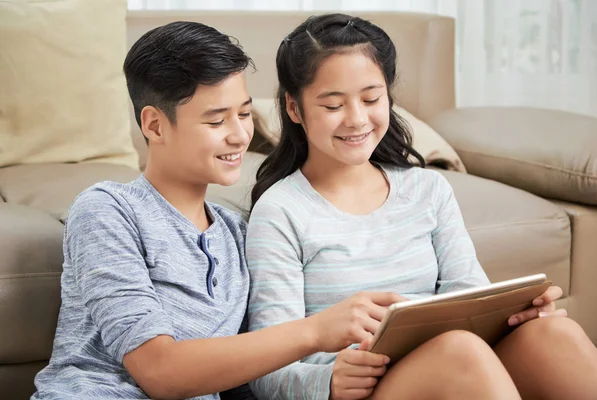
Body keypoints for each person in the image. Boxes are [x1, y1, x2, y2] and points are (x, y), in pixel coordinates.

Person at [30, 21, 405, 400]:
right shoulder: (108, 211)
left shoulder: (236, 233)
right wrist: (316, 331)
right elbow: (159, 370)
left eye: (243, 114)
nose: (240, 135)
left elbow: (247, 372)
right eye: (216, 120)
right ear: (155, 126)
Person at [246, 13, 597, 400]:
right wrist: (326, 380)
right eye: (333, 106)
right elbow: (265, 367)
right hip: (358, 388)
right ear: (295, 110)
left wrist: (515, 317)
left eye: (371, 98)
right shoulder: (280, 211)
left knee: (552, 332)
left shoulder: (427, 189)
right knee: (459, 351)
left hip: (450, 367)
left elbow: (470, 298)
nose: (357, 118)